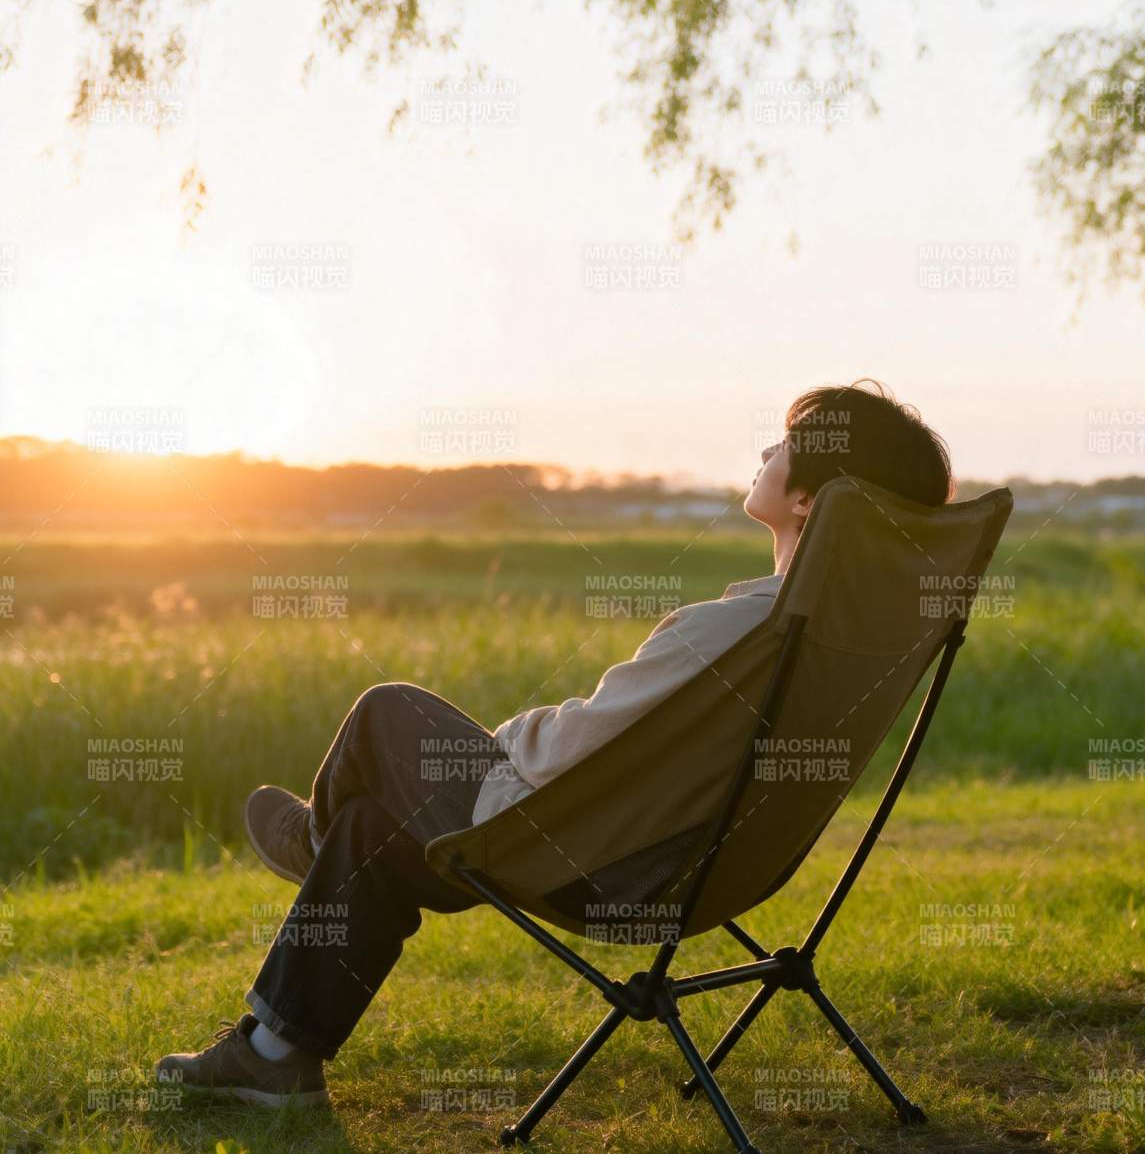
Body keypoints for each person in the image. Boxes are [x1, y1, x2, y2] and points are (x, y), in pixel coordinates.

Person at [155, 380, 952, 1104]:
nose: (764, 455)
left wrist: (502, 741)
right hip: (706, 871)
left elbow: (566, 753)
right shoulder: (850, 640)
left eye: (779, 448)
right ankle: (274, 1051)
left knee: (386, 710)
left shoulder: (731, 631)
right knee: (372, 829)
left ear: (810, 501)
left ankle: (310, 842)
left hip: (588, 860)